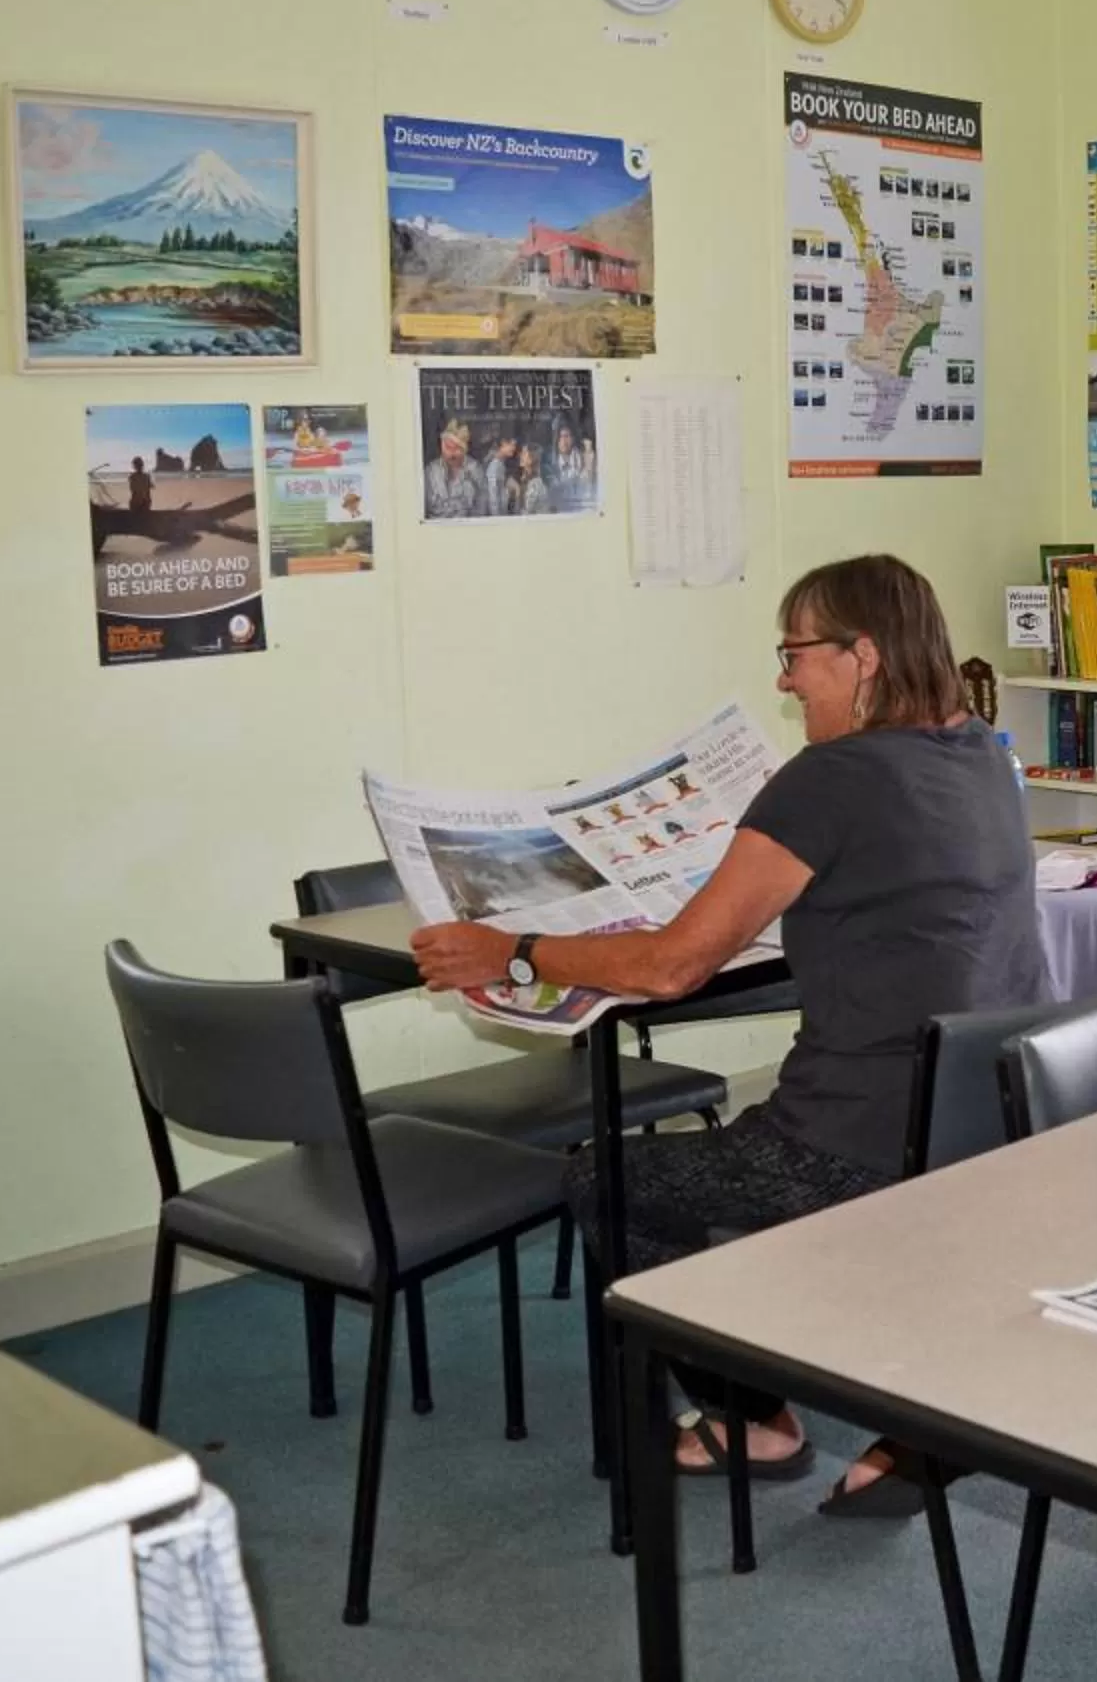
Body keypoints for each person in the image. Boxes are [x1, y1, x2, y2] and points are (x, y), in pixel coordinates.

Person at [411, 553, 1044, 1514]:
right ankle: (911, 1426)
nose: (785, 680)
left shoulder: (829, 779)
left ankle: (755, 1417)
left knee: (605, 1177)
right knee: (711, 1170)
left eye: (794, 655)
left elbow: (674, 967)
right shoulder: (982, 752)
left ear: (861, 656)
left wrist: (517, 951)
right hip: (983, 1120)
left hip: (854, 1142)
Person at [423, 419, 485, 519]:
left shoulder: (475, 470)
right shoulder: (430, 472)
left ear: (465, 449)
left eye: (457, 448)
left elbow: (482, 509)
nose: (451, 453)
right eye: (447, 447)